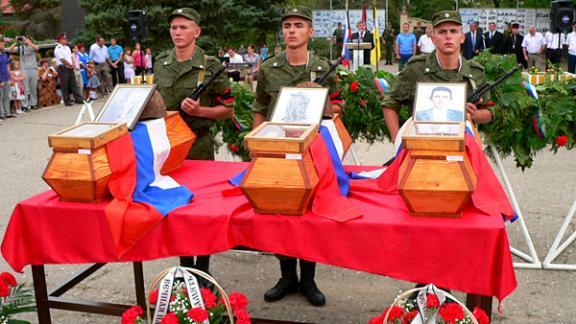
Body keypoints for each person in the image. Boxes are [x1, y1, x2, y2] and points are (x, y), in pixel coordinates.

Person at [252, 5, 343, 307]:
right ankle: (287, 276)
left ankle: (308, 278)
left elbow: (337, 106)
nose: (291, 30)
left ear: (310, 31)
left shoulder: (324, 67)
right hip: (279, 153)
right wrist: (258, 149)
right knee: (283, 215)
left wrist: (331, 110)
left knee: (310, 215)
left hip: (314, 151)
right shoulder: (268, 68)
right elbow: (259, 108)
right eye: (287, 25)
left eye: (298, 25)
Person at [154, 8, 235, 280]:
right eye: (174, 28)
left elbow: (228, 108)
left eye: (184, 27)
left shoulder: (210, 66)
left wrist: (202, 112)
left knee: (200, 209)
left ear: (196, 31)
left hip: (198, 146)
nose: (178, 32)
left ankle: (203, 268)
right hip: (169, 147)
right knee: (176, 208)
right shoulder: (161, 64)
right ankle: (185, 266)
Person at [382, 10, 492, 141]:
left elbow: (490, 111)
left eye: (453, 31)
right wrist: (397, 141)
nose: (448, 36)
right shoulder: (416, 68)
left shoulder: (475, 73)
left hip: (462, 150)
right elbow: (390, 103)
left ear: (462, 37)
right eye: (442, 32)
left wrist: (472, 115)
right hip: (421, 149)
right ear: (433, 38)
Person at [7, 36, 38, 110]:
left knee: (33, 88)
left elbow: (37, 48)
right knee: (25, 88)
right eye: (24, 39)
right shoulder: (21, 48)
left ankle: (34, 104)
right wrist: (16, 42)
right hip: (24, 69)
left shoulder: (32, 47)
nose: (25, 41)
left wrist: (29, 42)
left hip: (33, 69)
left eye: (26, 39)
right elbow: (9, 50)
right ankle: (25, 105)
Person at [54, 33, 84, 106]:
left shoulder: (67, 47)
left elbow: (71, 57)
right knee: (65, 84)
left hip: (70, 67)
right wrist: (69, 65)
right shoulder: (58, 48)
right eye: (64, 39)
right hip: (63, 67)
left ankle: (79, 99)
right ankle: (67, 101)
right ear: (60, 40)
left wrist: (73, 64)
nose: (66, 40)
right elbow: (62, 59)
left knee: (74, 83)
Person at [0, 39, 11, 120]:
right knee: (1, 98)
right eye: (2, 45)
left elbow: (7, 67)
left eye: (4, 44)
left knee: (6, 96)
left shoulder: (4, 54)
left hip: (6, 78)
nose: (4, 46)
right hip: (1, 80)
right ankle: (2, 114)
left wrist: (11, 77)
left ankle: (8, 113)